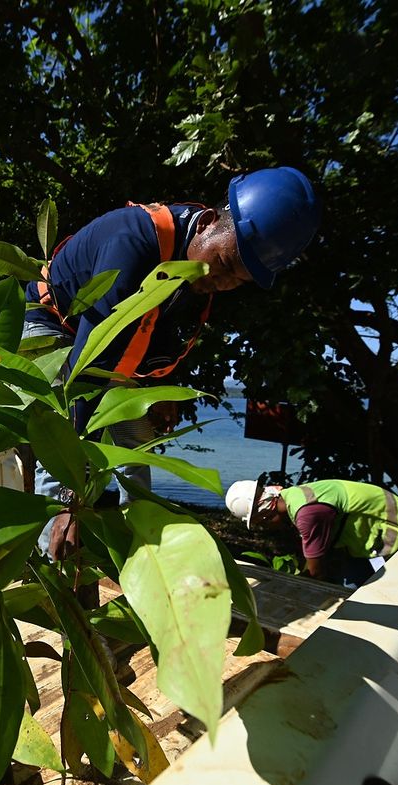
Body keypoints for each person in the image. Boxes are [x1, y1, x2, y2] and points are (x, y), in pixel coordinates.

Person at [25, 167, 321, 560]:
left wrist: (157, 392)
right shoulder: (132, 244)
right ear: (208, 222)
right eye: (224, 263)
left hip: (100, 349)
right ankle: (55, 557)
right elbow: (88, 367)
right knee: (59, 436)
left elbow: (154, 335)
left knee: (135, 438)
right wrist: (71, 497)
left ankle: (143, 545)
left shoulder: (190, 267)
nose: (223, 282)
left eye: (238, 280)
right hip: (50, 326)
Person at [225, 478, 398, 588]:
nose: (264, 528)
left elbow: (316, 572)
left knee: (397, 594)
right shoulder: (296, 496)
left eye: (260, 523)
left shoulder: (308, 514)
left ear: (265, 513)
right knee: (353, 588)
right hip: (367, 541)